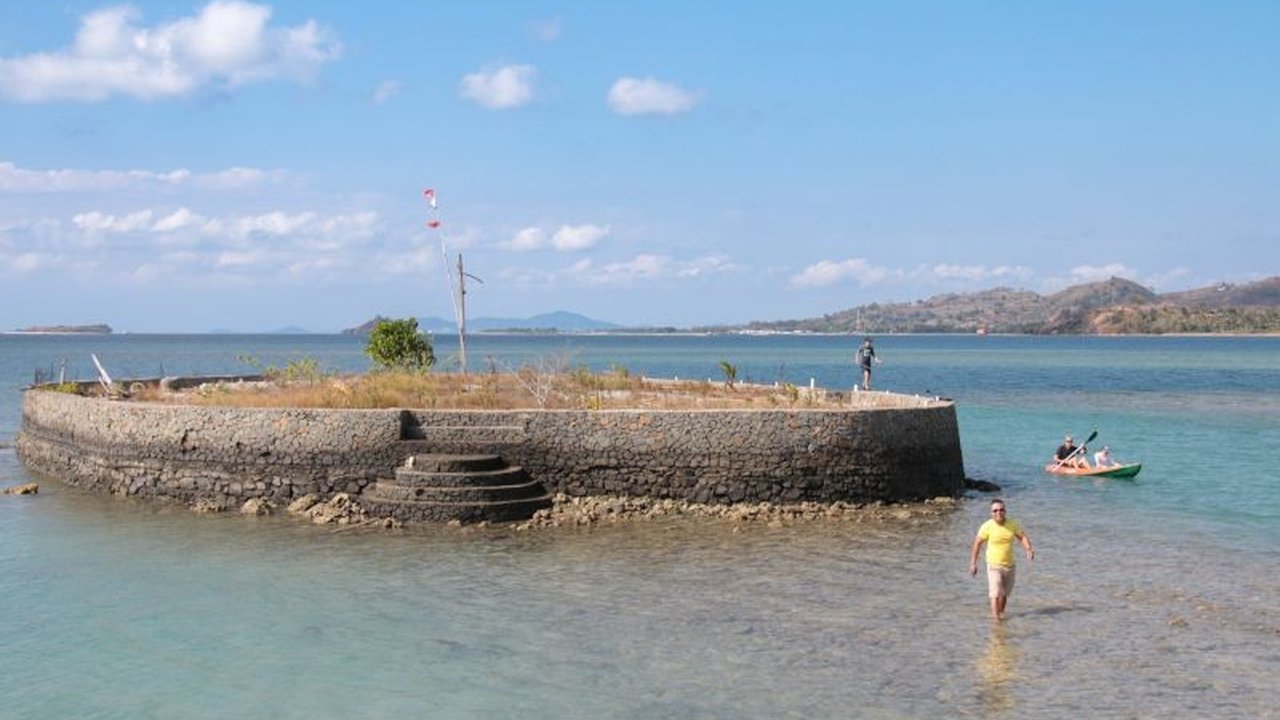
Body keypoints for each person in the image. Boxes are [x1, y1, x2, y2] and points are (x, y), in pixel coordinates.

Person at [969, 499, 1035, 621]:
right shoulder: (987, 526)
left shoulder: (1012, 524)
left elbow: (1022, 537)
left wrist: (1028, 549)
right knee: (995, 593)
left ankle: (1001, 614)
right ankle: (996, 621)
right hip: (993, 565)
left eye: (1001, 510)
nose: (998, 512)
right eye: (995, 510)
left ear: (1005, 511)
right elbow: (977, 544)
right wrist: (973, 563)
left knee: (1004, 594)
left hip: (1010, 565)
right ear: (991, 513)